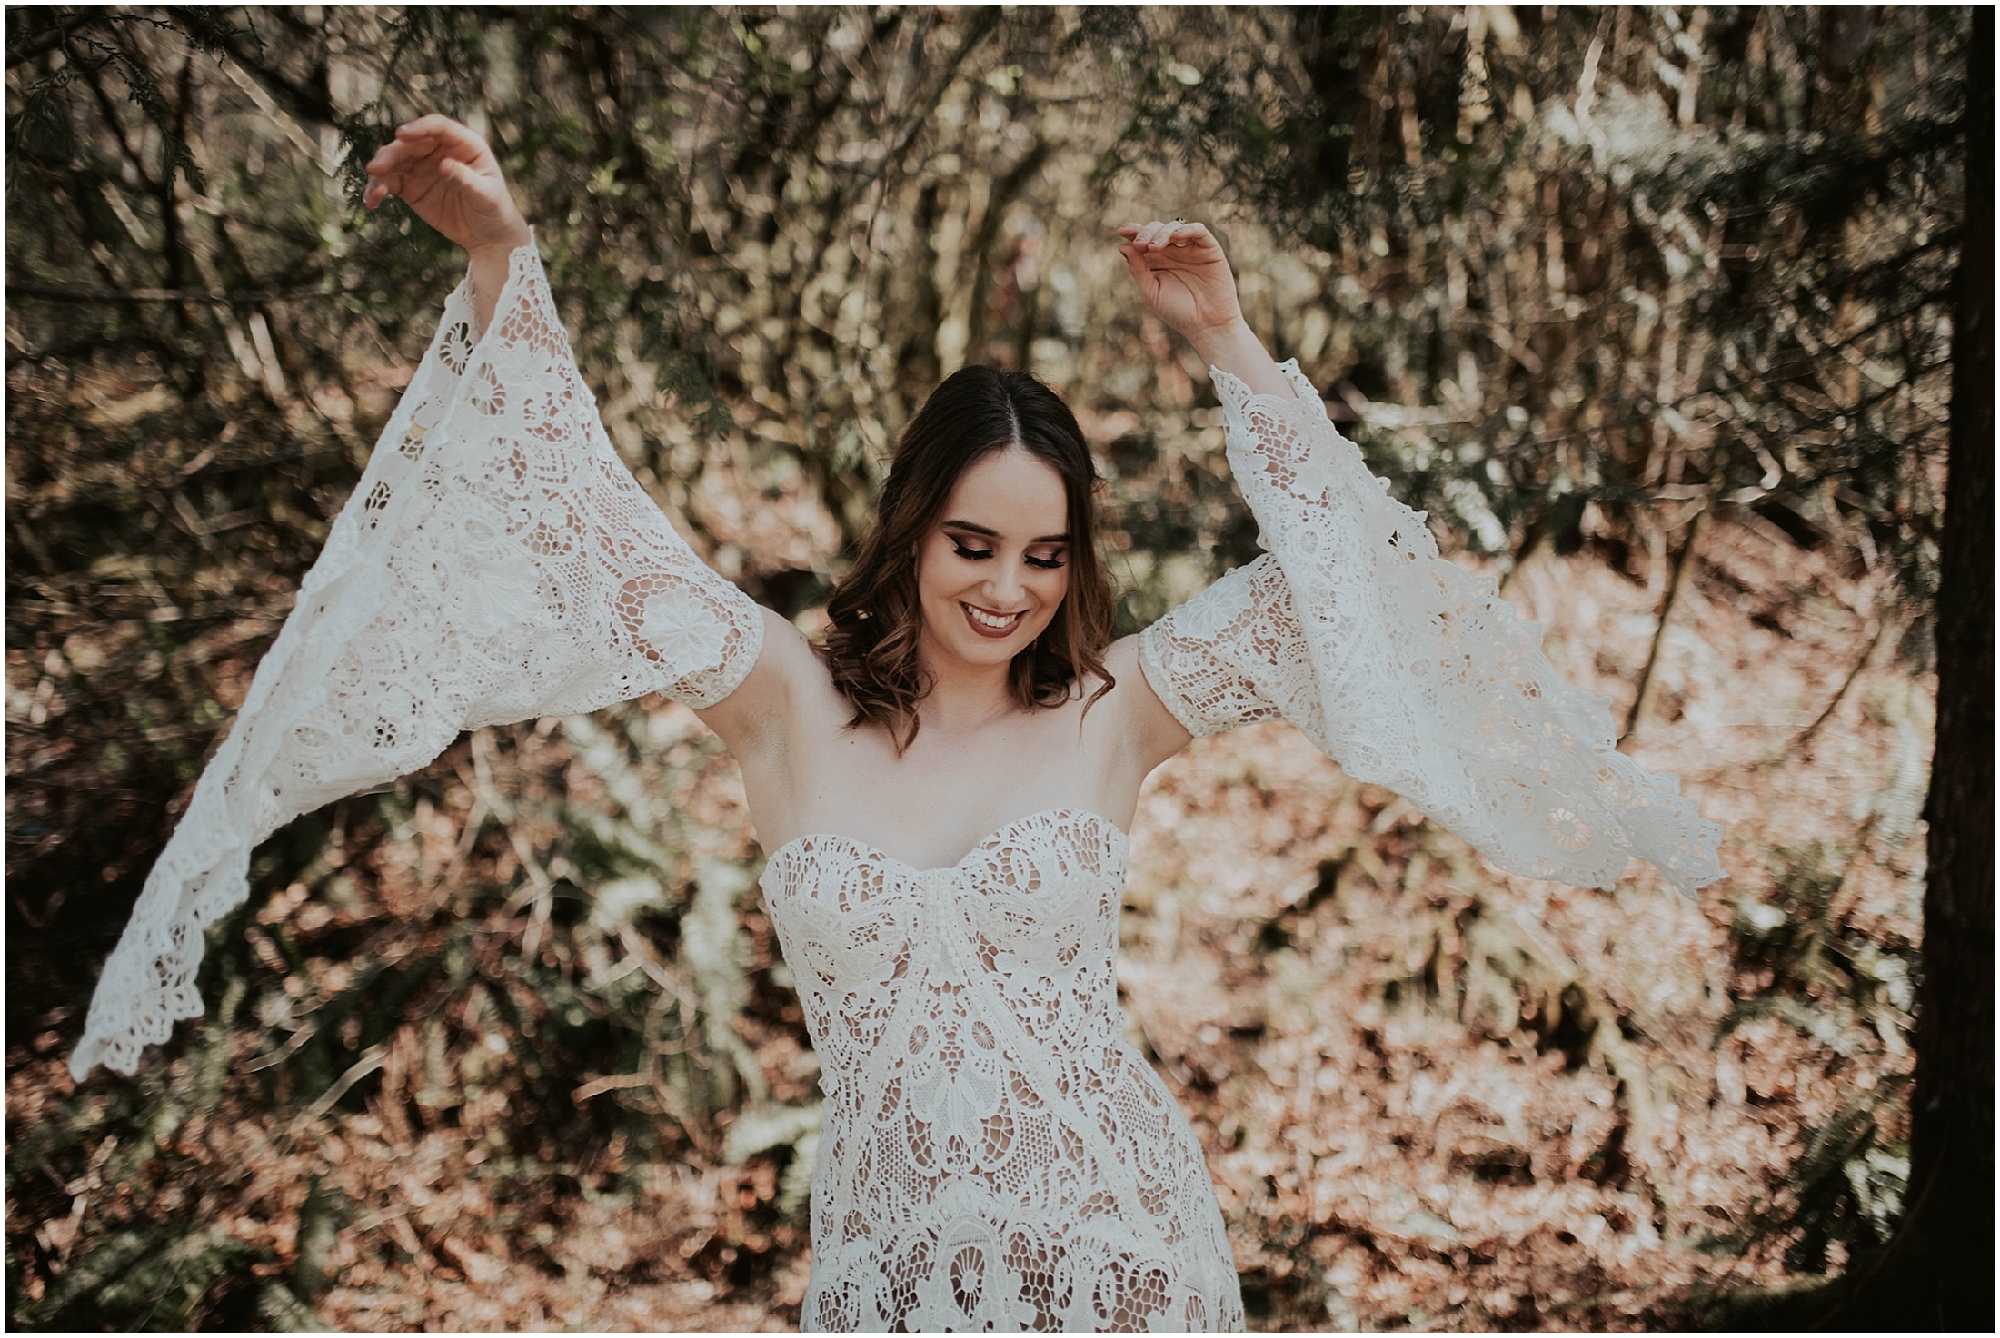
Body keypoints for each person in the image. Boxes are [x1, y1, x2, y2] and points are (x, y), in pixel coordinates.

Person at [71, 115, 1723, 1331]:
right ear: (911, 529)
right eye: (972, 543)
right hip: (893, 1277)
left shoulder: (1118, 708)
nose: (1007, 588)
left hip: (1125, 1256)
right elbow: (591, 520)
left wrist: (1231, 349)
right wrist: (505, 257)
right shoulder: (783, 705)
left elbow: (1341, 581)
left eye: (1045, 554)